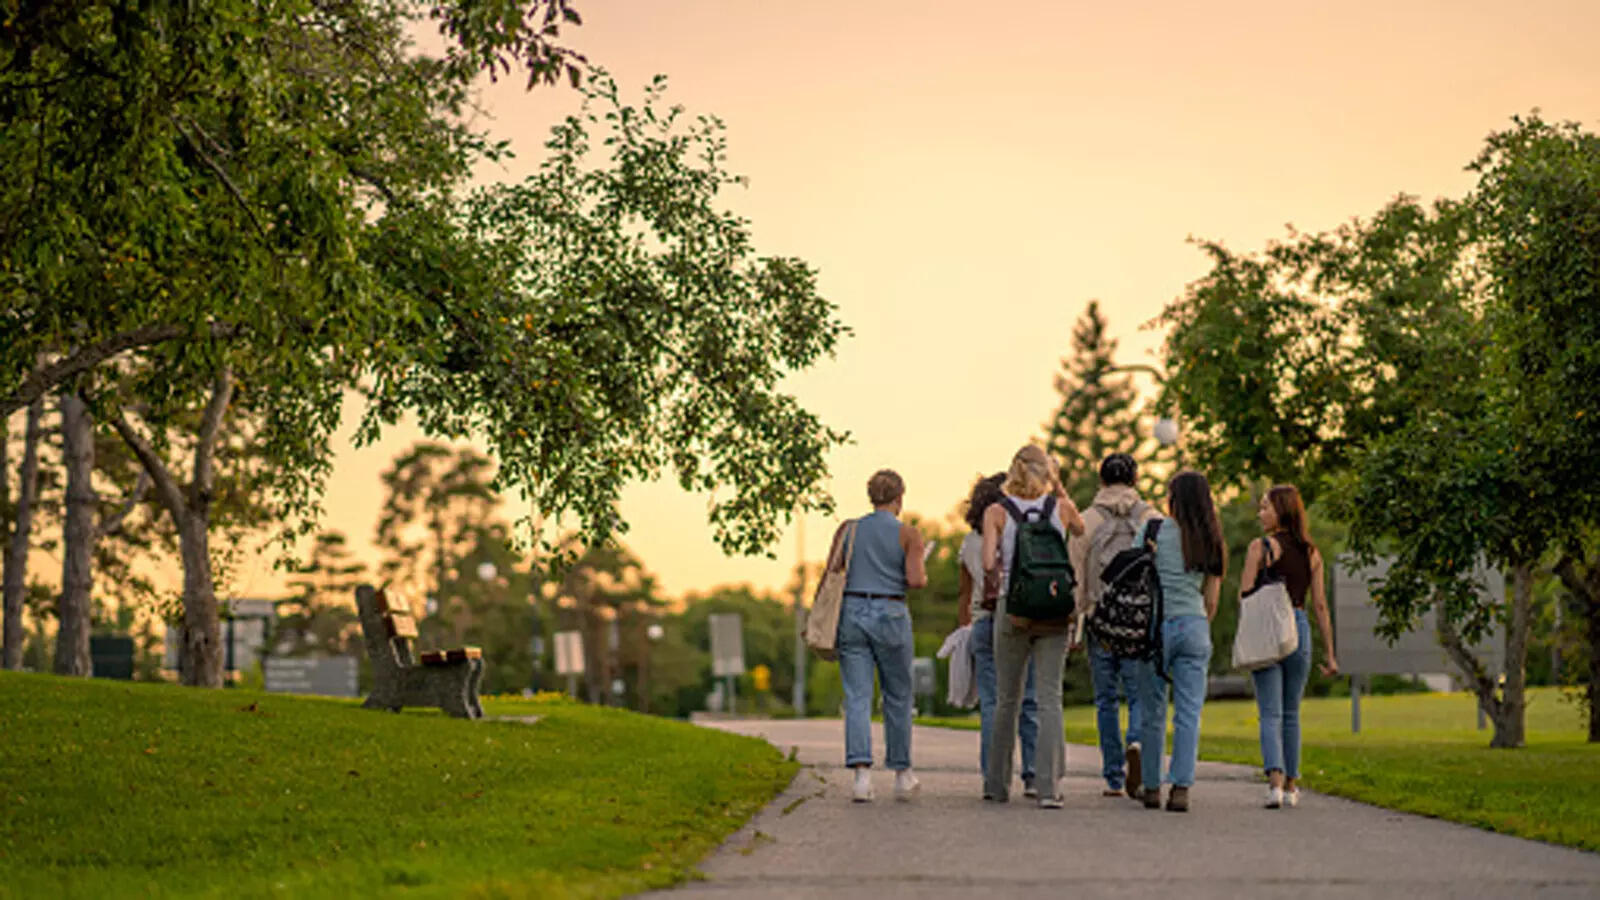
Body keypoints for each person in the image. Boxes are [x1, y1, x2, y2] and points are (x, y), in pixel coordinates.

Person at [981, 445, 1086, 808]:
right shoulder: (1062, 508)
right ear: (1048, 472)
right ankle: (1049, 789)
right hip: (1055, 607)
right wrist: (1059, 489)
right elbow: (1081, 529)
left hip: (1014, 607)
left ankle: (996, 785)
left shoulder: (996, 512)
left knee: (1006, 700)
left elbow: (987, 563)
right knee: (1049, 699)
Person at [830, 468, 928, 803]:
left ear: (871, 497)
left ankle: (861, 779)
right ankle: (902, 775)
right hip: (890, 613)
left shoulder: (849, 529)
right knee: (898, 696)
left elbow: (833, 571)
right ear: (900, 498)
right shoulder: (908, 534)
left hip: (852, 613)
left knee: (857, 696)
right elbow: (915, 581)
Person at [1240, 484, 1339, 809]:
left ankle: (1275, 785)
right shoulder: (1312, 552)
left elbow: (1245, 595)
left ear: (1281, 510)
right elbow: (1321, 605)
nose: (1260, 513)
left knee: (1269, 711)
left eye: (1266, 507)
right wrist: (1331, 653)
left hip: (1269, 630)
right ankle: (1292, 786)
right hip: (1299, 628)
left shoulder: (1261, 547)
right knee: (1291, 713)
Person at [1134, 470, 1225, 813]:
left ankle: (1152, 786)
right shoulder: (1210, 537)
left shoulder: (1152, 530)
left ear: (1173, 499)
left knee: (1152, 710)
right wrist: (1196, 624)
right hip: (1194, 625)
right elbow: (1212, 600)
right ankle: (1181, 788)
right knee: (1189, 712)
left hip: (1154, 627)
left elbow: (1134, 575)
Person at [1068, 453, 1157, 799]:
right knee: (1137, 694)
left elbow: (1075, 572)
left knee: (1105, 699)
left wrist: (1076, 622)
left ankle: (1114, 778)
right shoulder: (1150, 518)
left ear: (1101, 481)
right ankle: (1136, 740)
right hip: (1137, 619)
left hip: (1099, 618)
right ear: (1135, 480)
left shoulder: (1087, 520)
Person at [957, 472, 1040, 798]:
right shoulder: (1019, 533)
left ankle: (993, 777)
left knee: (992, 704)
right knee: (1029, 700)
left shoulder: (969, 543)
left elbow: (964, 594)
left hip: (982, 624)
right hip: (1019, 620)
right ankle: (1032, 775)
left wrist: (965, 628)